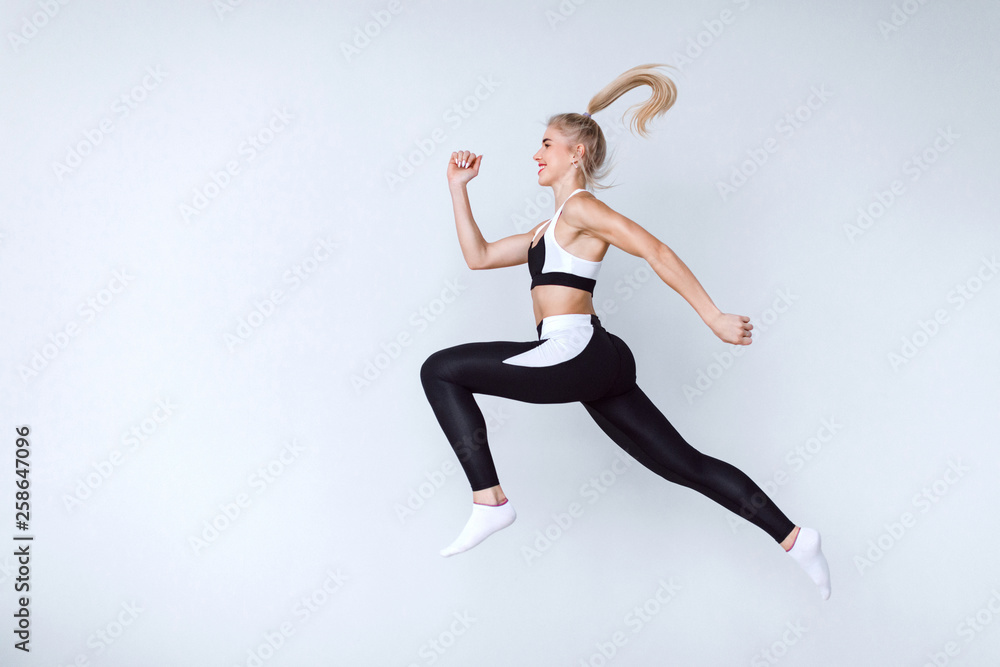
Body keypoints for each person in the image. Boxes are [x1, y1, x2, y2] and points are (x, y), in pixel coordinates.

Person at [419, 64, 831, 599]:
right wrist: (458, 189)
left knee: (440, 371)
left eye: (546, 144)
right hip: (596, 358)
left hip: (578, 351)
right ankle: (796, 539)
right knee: (682, 465)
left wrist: (713, 317)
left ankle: (490, 501)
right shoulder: (547, 228)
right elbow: (478, 257)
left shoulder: (582, 208)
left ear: (577, 154)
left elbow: (654, 249)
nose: (537, 155)